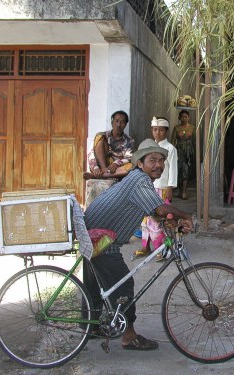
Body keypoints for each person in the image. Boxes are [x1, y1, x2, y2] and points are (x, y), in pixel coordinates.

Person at [83, 139, 193, 351]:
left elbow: (155, 211)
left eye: (161, 161)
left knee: (94, 285)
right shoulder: (139, 180)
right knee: (124, 285)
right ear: (140, 164)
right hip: (102, 240)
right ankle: (129, 336)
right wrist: (185, 215)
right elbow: (160, 210)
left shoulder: (138, 179)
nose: (158, 165)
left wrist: (170, 221)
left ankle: (92, 326)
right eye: (152, 160)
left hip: (93, 234)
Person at [134, 117, 178, 259]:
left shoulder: (170, 148)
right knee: (145, 219)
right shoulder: (148, 147)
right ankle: (145, 246)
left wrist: (170, 186)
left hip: (162, 187)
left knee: (158, 219)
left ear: (166, 131)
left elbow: (173, 169)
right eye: (154, 129)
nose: (157, 132)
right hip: (148, 187)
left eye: (160, 130)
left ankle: (160, 249)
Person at [84, 110, 136, 180]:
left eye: (122, 122)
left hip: (117, 169)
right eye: (116, 121)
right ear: (112, 123)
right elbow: (91, 152)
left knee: (132, 166)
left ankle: (103, 175)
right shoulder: (103, 136)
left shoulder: (129, 140)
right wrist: (95, 168)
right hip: (102, 166)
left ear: (126, 124)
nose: (119, 125)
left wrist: (116, 163)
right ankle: (103, 171)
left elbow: (129, 158)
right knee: (100, 136)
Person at [171, 110, 195, 199]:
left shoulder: (192, 127)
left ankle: (184, 191)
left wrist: (197, 155)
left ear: (188, 118)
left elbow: (195, 142)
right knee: (178, 171)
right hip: (179, 152)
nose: (184, 118)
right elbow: (173, 142)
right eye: (182, 117)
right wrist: (171, 154)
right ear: (179, 118)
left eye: (186, 117)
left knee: (186, 170)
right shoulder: (176, 128)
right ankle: (179, 190)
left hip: (189, 152)